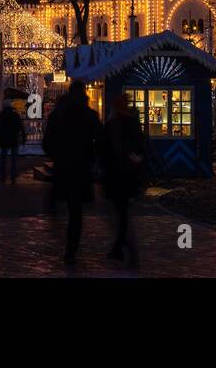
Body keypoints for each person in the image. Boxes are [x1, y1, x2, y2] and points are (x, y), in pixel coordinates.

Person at [42, 81, 102, 266]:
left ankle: (56, 213)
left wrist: (58, 156)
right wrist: (91, 157)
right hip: (81, 169)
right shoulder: (90, 115)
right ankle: (71, 247)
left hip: (63, 168)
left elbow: (47, 144)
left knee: (64, 203)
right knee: (76, 212)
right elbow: (100, 140)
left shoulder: (57, 115)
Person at [102, 92, 147, 266]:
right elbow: (141, 146)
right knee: (122, 213)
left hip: (116, 175)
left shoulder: (112, 124)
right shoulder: (132, 124)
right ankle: (121, 246)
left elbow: (105, 150)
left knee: (118, 214)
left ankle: (123, 246)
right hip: (128, 175)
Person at [0, 98, 26, 183]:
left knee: (3, 159)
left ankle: (3, 176)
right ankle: (13, 176)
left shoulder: (2, 115)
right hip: (14, 139)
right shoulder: (15, 115)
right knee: (14, 160)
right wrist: (23, 137)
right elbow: (21, 126)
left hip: (4, 140)